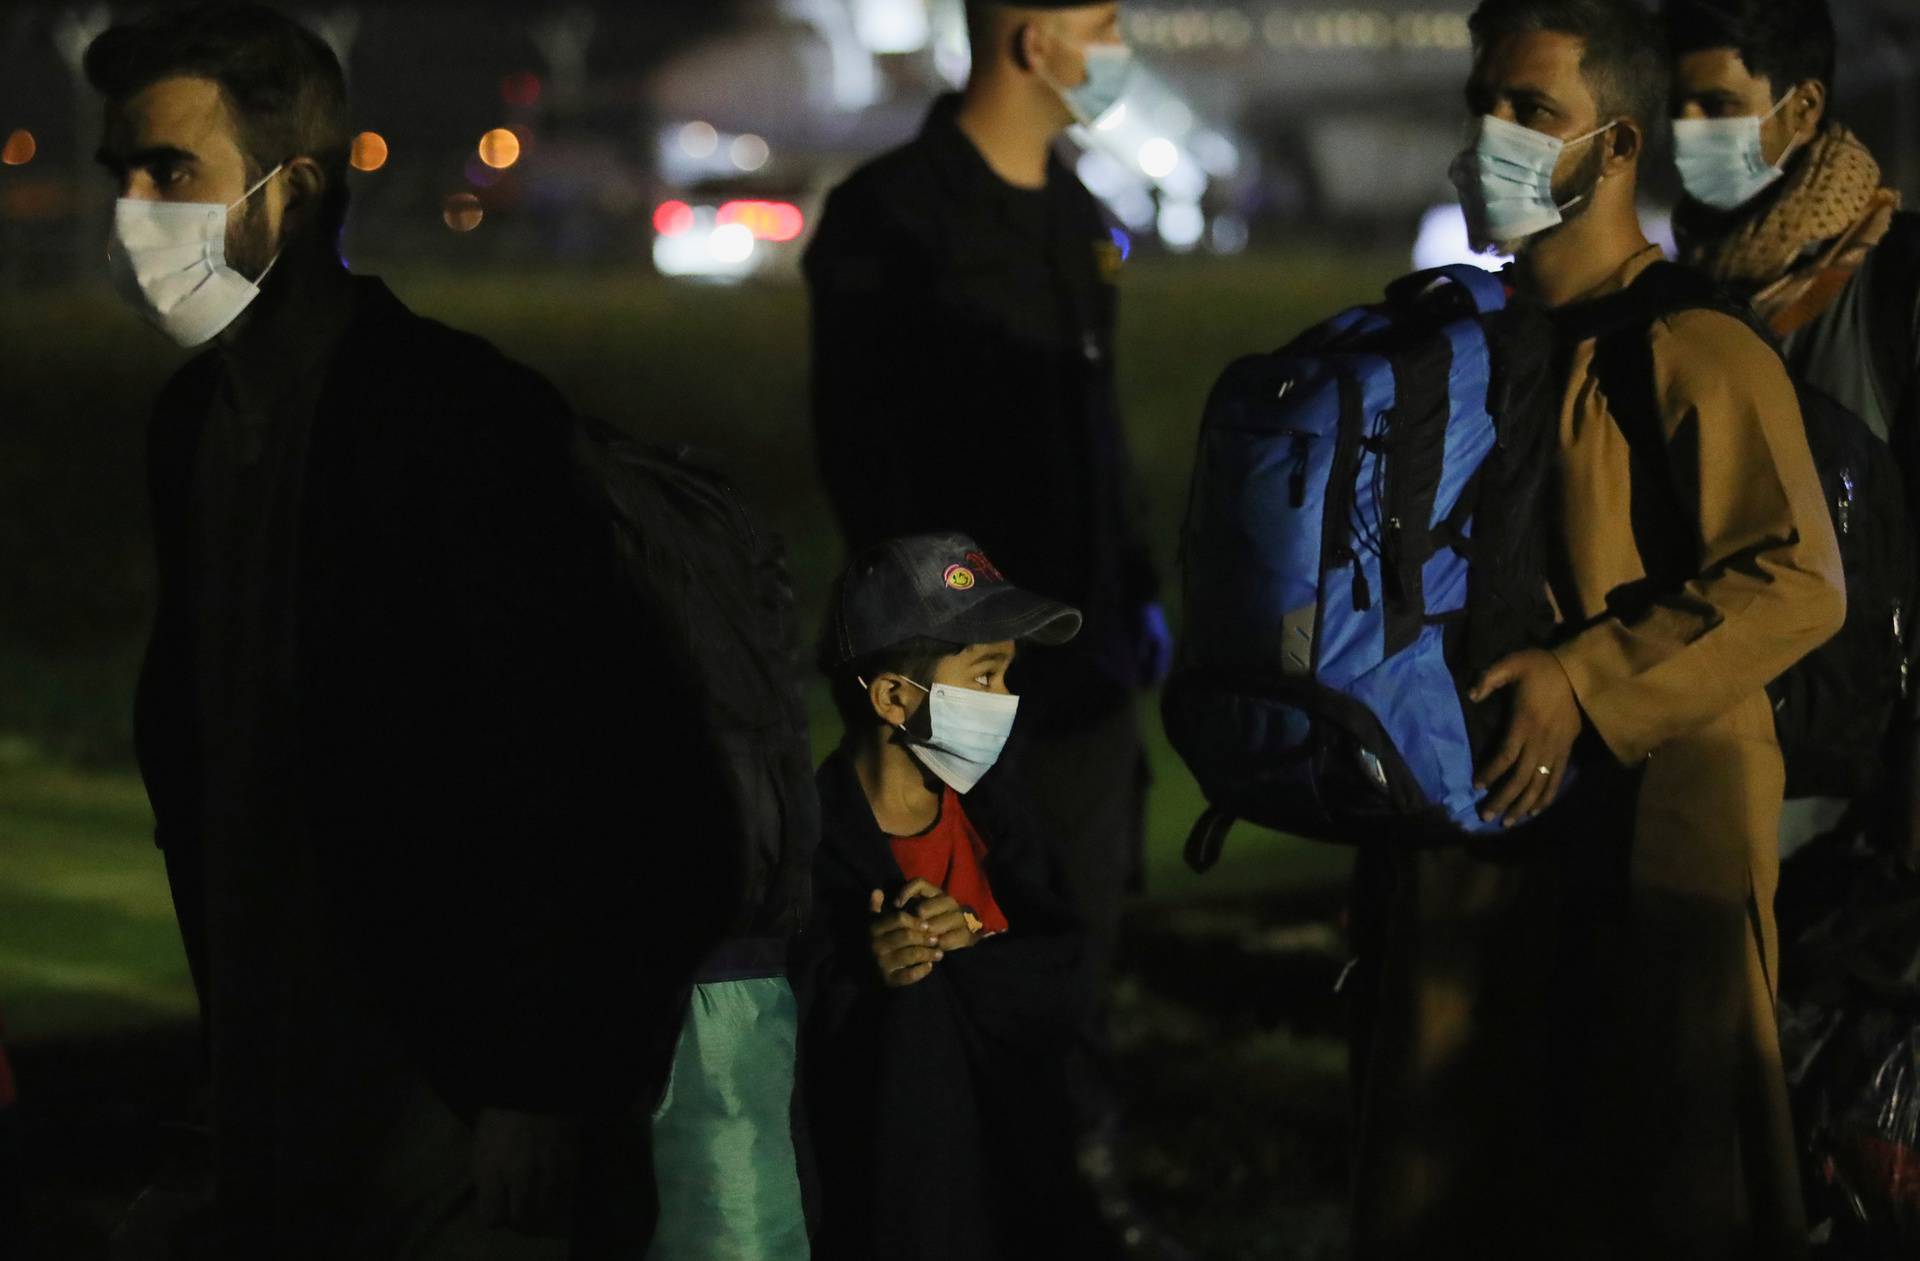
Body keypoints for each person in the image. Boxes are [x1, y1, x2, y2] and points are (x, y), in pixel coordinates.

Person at [91, 6, 739, 1257]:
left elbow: (586, 753)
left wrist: (541, 1081)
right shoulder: (195, 428)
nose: (133, 208)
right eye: (122, 168)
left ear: (296, 193)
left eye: (172, 171)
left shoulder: (453, 421)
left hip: (440, 1085)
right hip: (280, 1070)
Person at [1347, 0, 1847, 1255]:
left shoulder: (1690, 343)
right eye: (1486, 105)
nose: (1492, 137)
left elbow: (1799, 575)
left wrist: (1587, 678)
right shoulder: (1467, 342)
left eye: (1534, 113)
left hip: (1653, 852)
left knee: (1666, 1187)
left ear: (1618, 148)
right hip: (1480, 841)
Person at [804, 0, 1167, 1170]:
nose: (1117, 48)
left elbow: (1096, 439)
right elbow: (873, 485)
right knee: (946, 1021)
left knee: (1071, 978)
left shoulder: (1073, 213)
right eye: (1101, 21)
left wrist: (1133, 597)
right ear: (1032, 39)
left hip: (1092, 684)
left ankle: (1071, 1195)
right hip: (960, 714)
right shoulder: (889, 223)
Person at [800, 531, 1120, 1260]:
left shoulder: (999, 822)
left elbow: (1064, 977)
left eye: (1009, 675)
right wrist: (867, 966)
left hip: (1025, 1209)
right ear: (892, 697)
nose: (1006, 700)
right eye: (985, 675)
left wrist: (973, 952)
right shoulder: (805, 849)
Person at [1660, 0, 1920, 861]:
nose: (1687, 131)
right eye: (1678, 105)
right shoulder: (1674, 303)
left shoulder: (1897, 292)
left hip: (1866, 827)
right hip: (1716, 812)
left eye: (1717, 108)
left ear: (1803, 108)